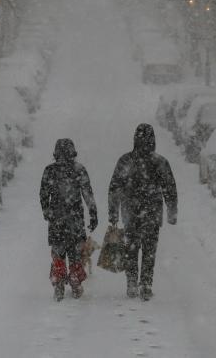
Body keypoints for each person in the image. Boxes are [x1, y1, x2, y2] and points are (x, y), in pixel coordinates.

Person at [108, 123, 178, 301]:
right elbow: (169, 188)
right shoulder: (159, 162)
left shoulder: (126, 161)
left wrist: (114, 212)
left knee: (131, 248)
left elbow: (115, 187)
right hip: (152, 212)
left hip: (130, 212)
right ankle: (146, 284)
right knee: (149, 250)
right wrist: (172, 211)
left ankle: (132, 282)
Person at [39, 138, 98, 300]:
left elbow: (43, 194)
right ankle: (75, 280)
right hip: (75, 220)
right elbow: (88, 195)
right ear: (73, 152)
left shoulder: (49, 171)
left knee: (58, 252)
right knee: (76, 253)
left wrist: (47, 212)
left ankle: (58, 282)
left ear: (56, 153)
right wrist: (93, 214)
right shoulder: (79, 170)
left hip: (56, 219)